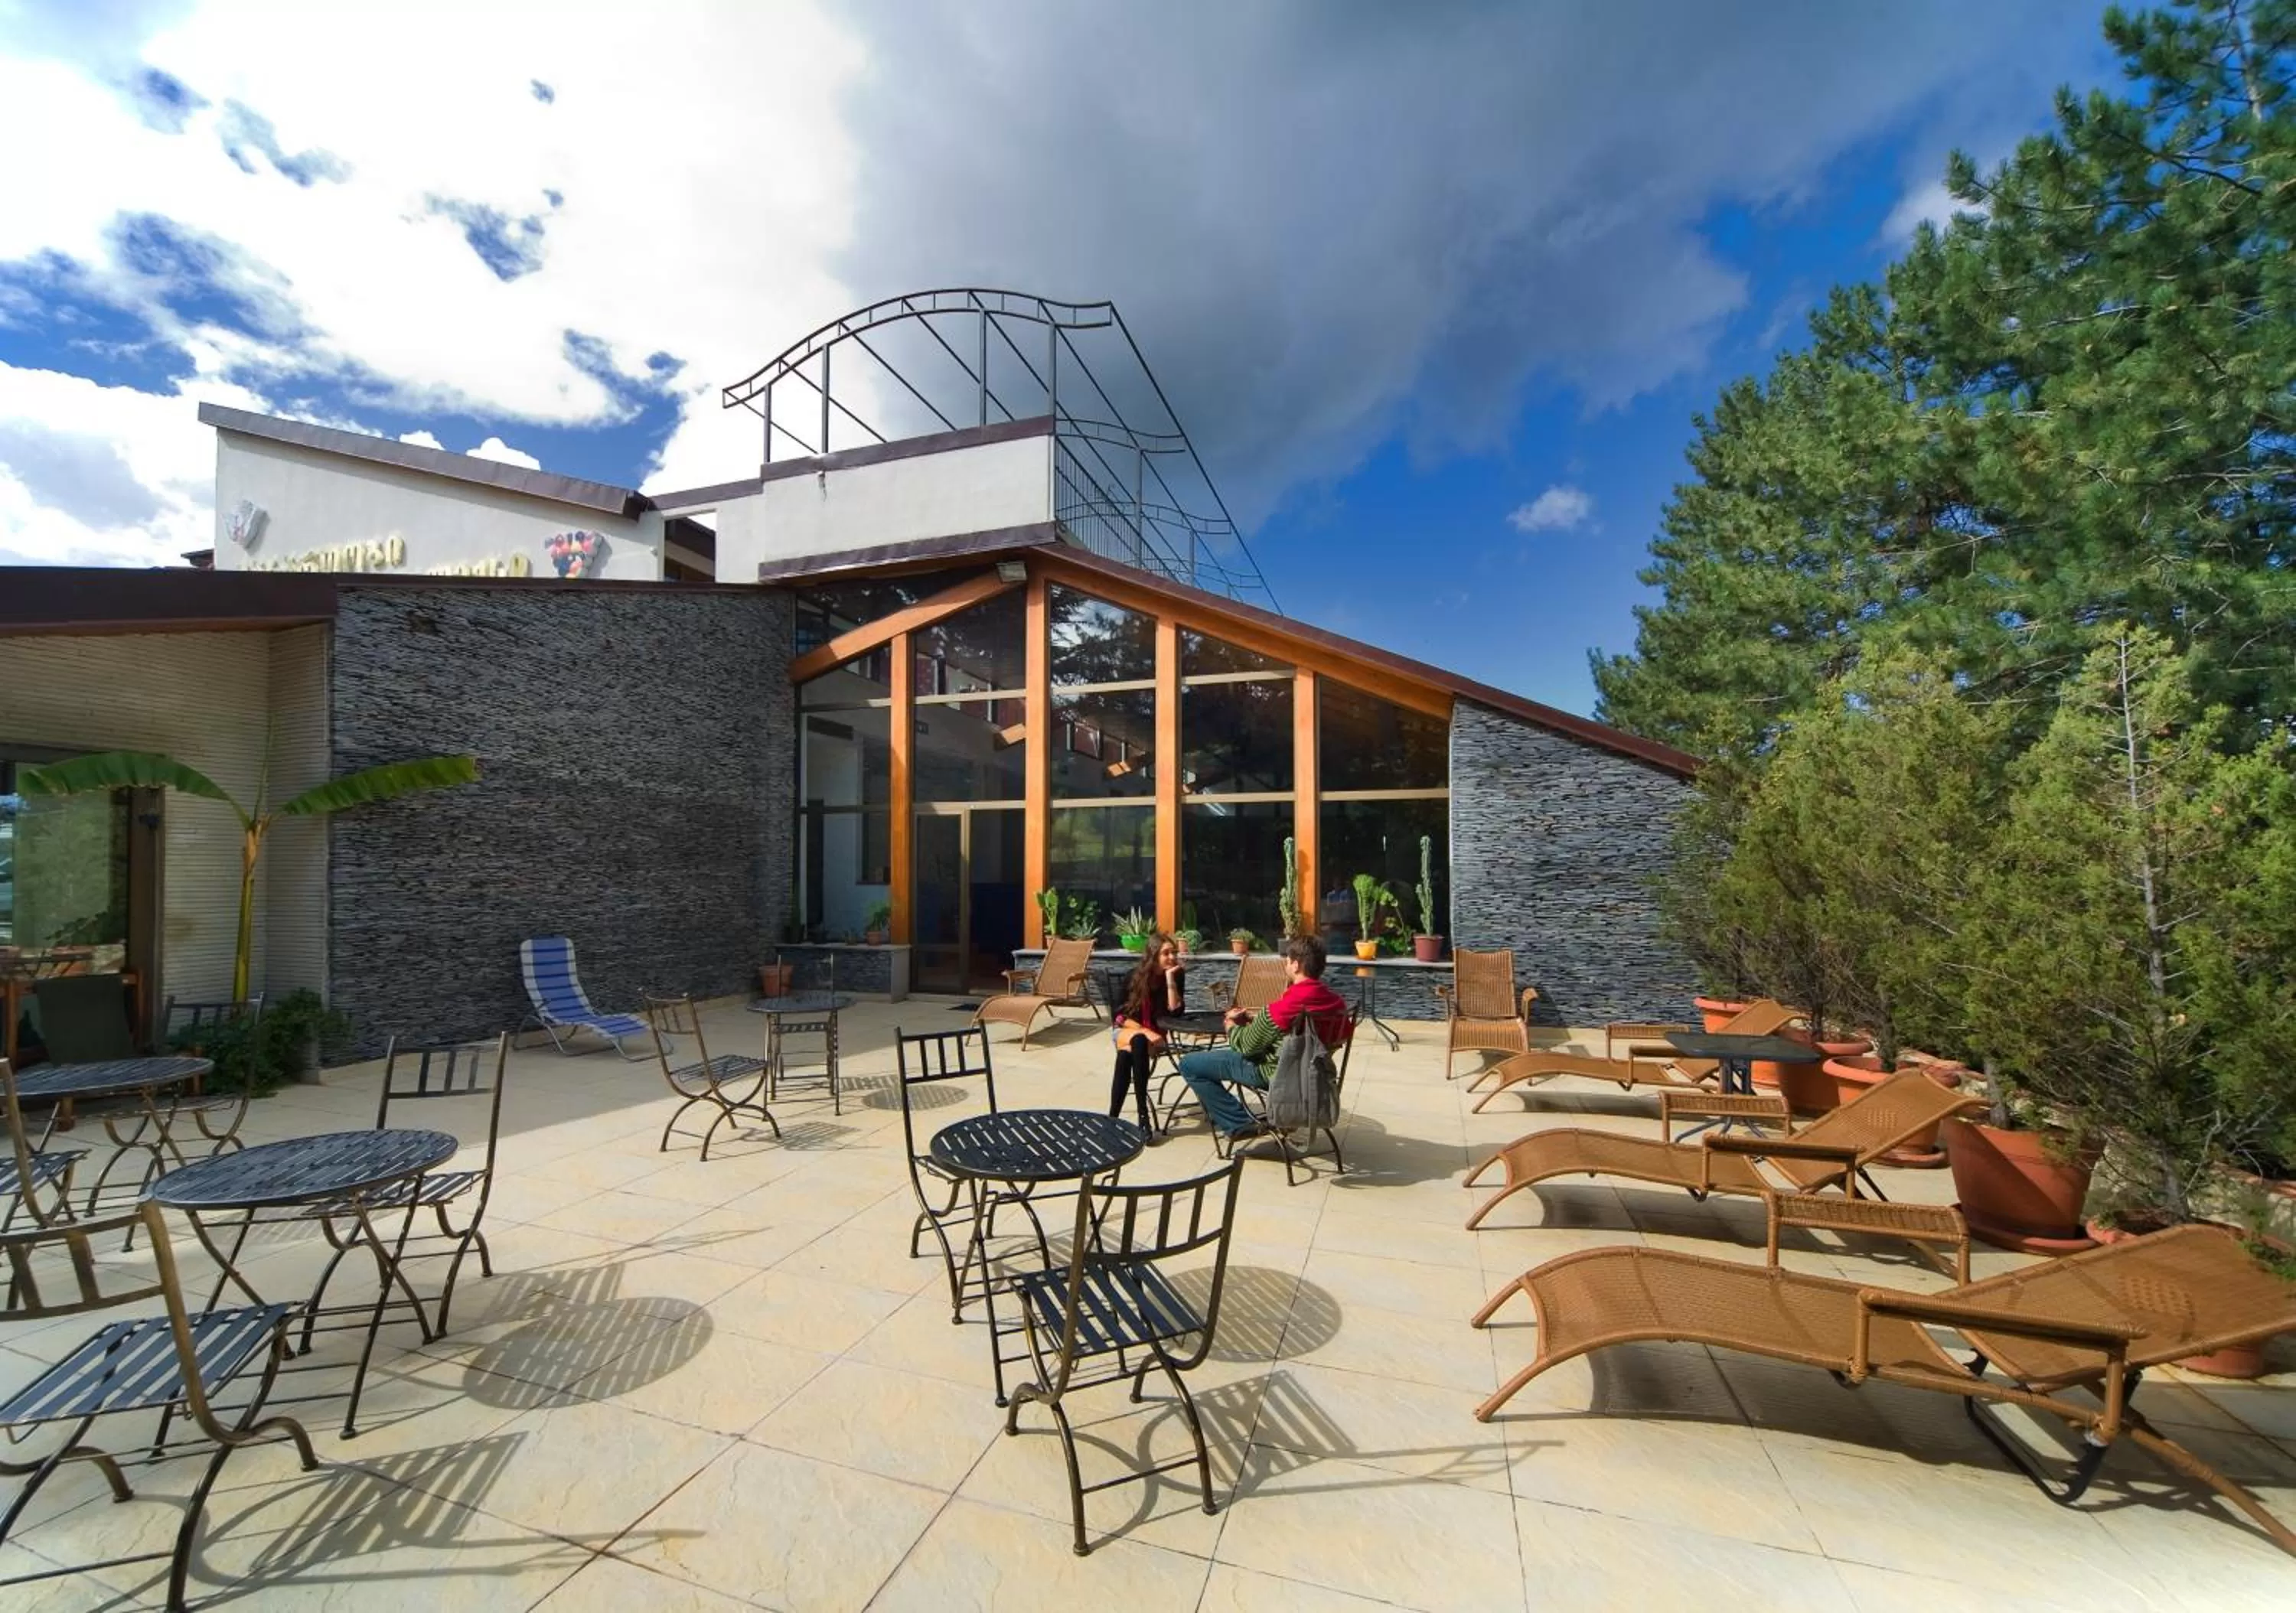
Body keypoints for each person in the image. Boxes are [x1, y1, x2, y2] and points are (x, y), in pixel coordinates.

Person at [1177, 934, 1349, 1145]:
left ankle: (1238, 1123)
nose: (1286, 965)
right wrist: (1258, 1021)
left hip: (1277, 1074)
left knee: (1190, 1064)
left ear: (1296, 965)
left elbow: (1246, 1046)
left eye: (1287, 961)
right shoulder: (1337, 1005)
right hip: (1317, 1076)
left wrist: (1231, 1026)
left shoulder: (1284, 1009)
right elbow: (1336, 1036)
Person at [1109, 933, 1186, 1138]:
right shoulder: (1133, 977)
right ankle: (1143, 1116)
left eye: (1174, 952)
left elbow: (1175, 1012)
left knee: (1125, 1056)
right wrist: (1144, 1030)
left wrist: (1170, 980)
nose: (1172, 957)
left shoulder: (1177, 976)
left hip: (1153, 1037)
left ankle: (1112, 1119)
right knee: (1139, 1039)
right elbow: (1118, 1016)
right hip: (1126, 1030)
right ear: (1154, 955)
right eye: (1166, 953)